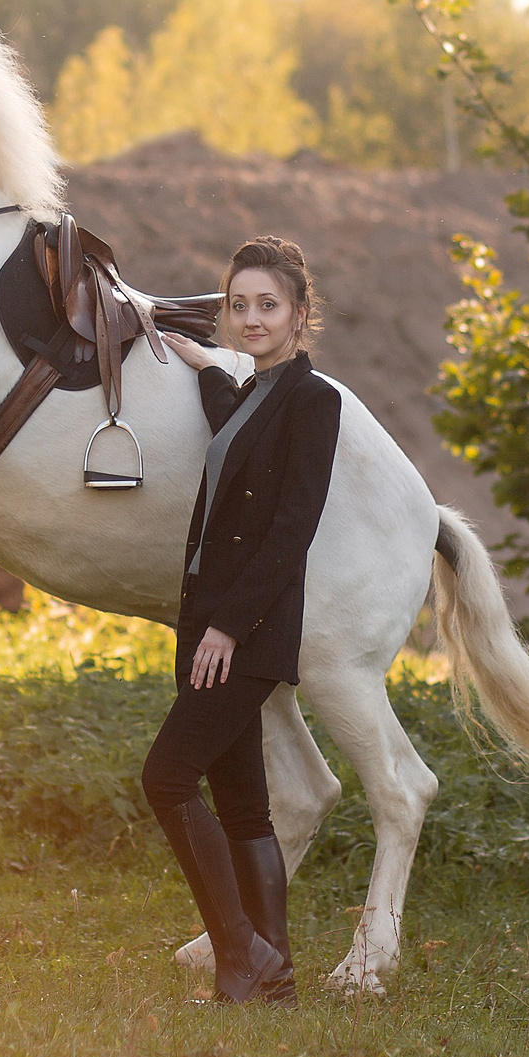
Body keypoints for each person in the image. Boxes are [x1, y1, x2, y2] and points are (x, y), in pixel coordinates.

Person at [150, 235, 342, 1004]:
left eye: (267, 305)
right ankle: (276, 976)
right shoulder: (254, 394)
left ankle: (241, 954)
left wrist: (228, 628)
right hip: (209, 626)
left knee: (166, 776)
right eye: (239, 305)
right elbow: (230, 422)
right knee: (243, 803)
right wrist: (202, 367)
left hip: (244, 632)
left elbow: (291, 528)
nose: (250, 318)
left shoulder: (313, 400)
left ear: (299, 313)